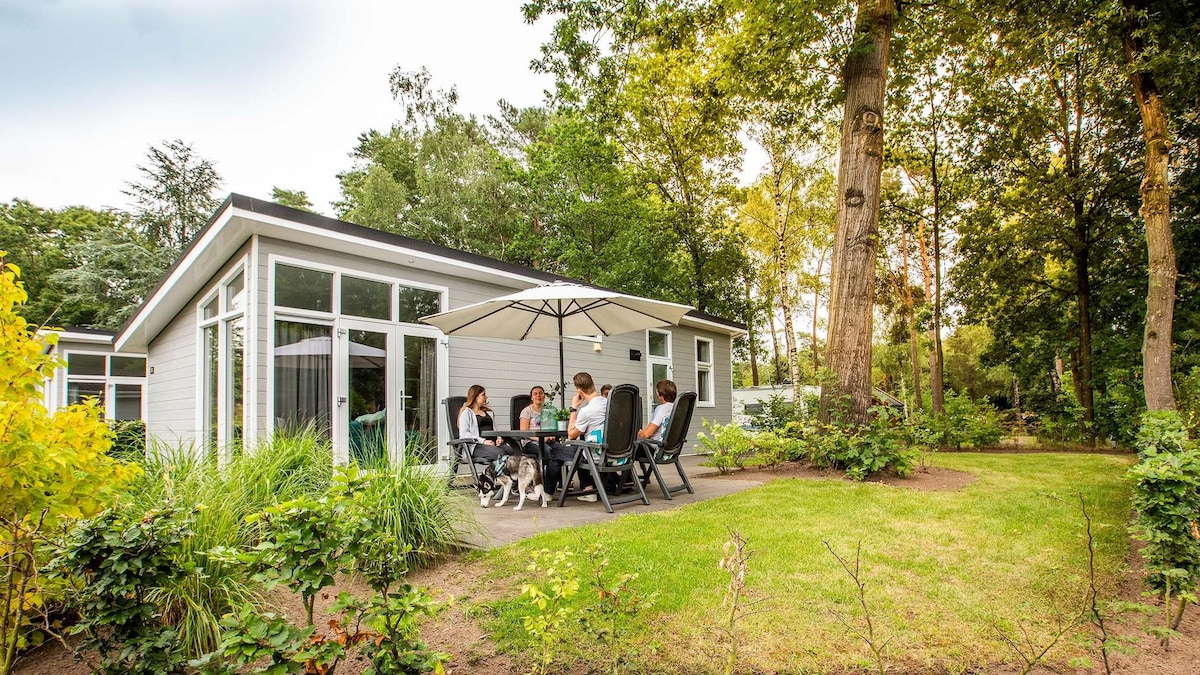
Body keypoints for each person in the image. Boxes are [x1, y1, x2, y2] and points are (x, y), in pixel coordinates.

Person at [564, 372, 608, 501]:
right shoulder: (610, 403)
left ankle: (548, 492)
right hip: (618, 454)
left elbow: (571, 435)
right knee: (581, 449)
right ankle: (592, 487)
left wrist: (573, 408)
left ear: (579, 390)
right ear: (593, 384)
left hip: (598, 455)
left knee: (558, 452)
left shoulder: (586, 411)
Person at [457, 384, 504, 462]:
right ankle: (494, 469)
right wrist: (484, 441)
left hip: (494, 444)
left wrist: (499, 438)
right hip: (477, 446)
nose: (486, 397)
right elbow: (464, 434)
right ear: (475, 397)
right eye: (483, 395)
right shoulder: (466, 413)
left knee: (513, 451)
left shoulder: (489, 412)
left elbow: (496, 428)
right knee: (500, 453)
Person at [517, 385, 556, 457]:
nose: (538, 395)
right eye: (535, 394)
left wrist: (551, 436)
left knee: (560, 449)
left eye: (541, 393)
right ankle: (548, 465)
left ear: (544, 396)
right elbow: (524, 432)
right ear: (531, 398)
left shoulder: (548, 411)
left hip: (546, 440)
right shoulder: (527, 411)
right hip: (530, 442)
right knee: (547, 450)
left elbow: (551, 428)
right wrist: (539, 439)